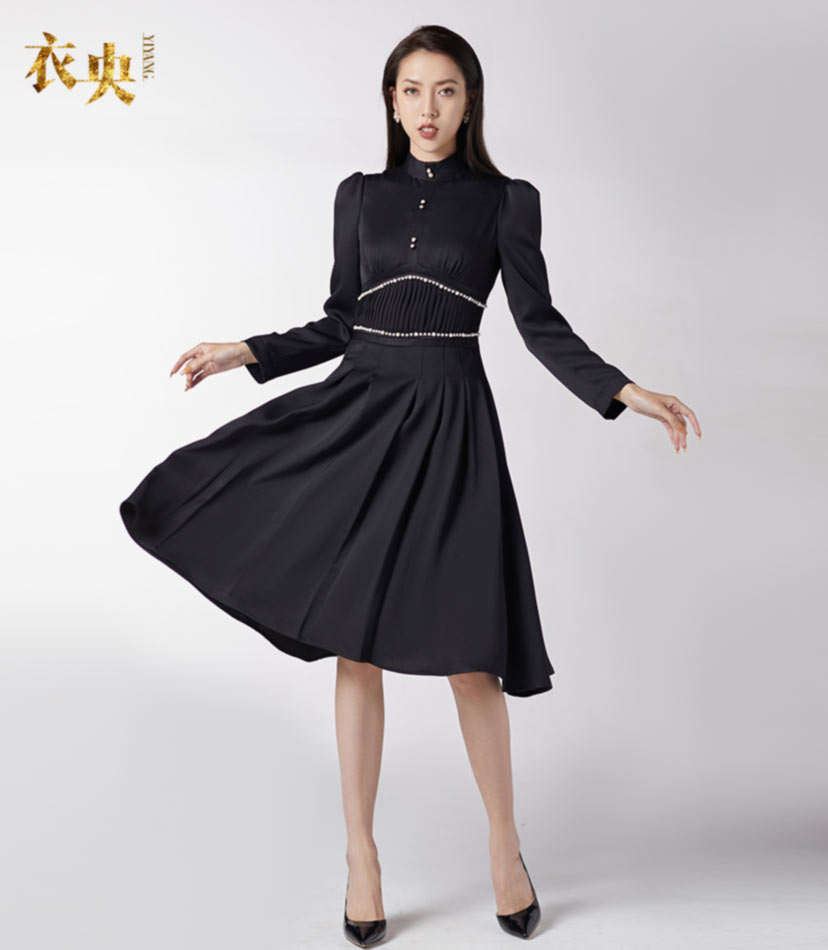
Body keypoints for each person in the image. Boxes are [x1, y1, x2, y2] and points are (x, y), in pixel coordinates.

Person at [120, 24, 700, 948]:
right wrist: (248, 352)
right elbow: (341, 322)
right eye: (412, 90)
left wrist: (625, 391)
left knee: (472, 654)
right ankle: (362, 858)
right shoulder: (358, 196)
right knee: (357, 647)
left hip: (453, 427)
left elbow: (540, 324)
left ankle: (505, 848)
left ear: (470, 103)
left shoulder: (507, 201)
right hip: (361, 417)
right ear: (391, 102)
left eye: (446, 91)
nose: (428, 108)